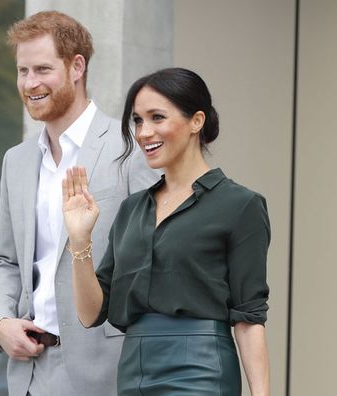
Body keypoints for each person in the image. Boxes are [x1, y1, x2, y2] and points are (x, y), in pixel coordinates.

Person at [62, 67, 271, 396]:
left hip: (201, 371)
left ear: (196, 121)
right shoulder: (131, 209)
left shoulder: (240, 205)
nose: (144, 132)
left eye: (157, 117)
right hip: (134, 370)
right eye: (137, 120)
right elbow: (90, 314)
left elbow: (249, 317)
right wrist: (79, 239)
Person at [0, 11, 158, 396]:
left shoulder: (131, 148)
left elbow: (155, 262)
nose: (30, 83)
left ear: (76, 66)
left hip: (106, 375)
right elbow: (7, 261)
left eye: (42, 69)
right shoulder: (16, 160)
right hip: (29, 373)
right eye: (22, 70)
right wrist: (0, 323)